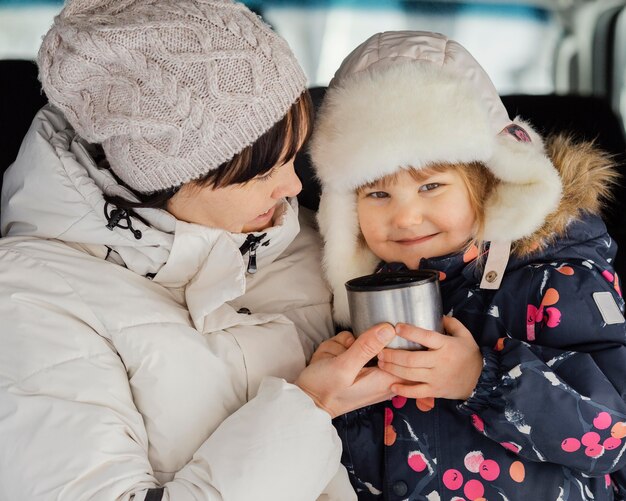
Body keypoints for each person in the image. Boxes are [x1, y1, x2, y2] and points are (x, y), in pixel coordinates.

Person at [0, 1, 404, 499]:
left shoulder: (300, 236)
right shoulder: (30, 299)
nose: (294, 186)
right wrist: (310, 406)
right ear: (164, 179)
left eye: (293, 155)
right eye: (261, 173)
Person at [310, 31, 626, 500]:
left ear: (487, 180)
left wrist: (483, 380)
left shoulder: (557, 280)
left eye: (431, 186)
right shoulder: (354, 298)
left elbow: (611, 437)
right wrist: (339, 406)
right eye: (377, 194)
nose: (405, 217)